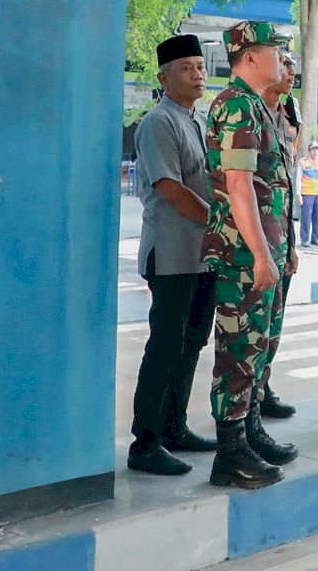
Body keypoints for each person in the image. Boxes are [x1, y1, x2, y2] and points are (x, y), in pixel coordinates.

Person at [203, 21, 297, 489]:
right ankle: (230, 450)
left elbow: (274, 189)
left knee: (261, 345)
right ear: (251, 57)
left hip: (265, 250)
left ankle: (250, 428)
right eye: (275, 51)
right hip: (243, 254)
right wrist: (262, 255)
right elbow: (239, 187)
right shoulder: (237, 105)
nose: (282, 59)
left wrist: (285, 250)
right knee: (239, 350)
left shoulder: (258, 107)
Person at [127, 34, 219, 476]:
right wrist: (218, 223)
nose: (197, 73)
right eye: (186, 67)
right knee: (165, 347)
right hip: (171, 254)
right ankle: (144, 443)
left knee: (192, 344)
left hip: (202, 255)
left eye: (200, 66)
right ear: (164, 77)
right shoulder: (158, 122)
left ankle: (173, 426)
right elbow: (169, 187)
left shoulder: (196, 120)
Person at [255, 52, 300, 422]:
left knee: (274, 323)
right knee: (248, 334)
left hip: (281, 234)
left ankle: (263, 387)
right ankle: (246, 406)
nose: (291, 71)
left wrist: (293, 244)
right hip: (254, 242)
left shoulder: (289, 113)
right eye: (283, 63)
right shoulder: (248, 111)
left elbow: (286, 182)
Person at [299, 143, 318, 246]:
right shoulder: (303, 162)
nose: (315, 152)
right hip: (307, 193)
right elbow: (299, 178)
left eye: (317, 149)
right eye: (313, 149)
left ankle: (315, 237)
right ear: (309, 151)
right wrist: (298, 194)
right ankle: (304, 239)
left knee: (317, 217)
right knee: (306, 217)